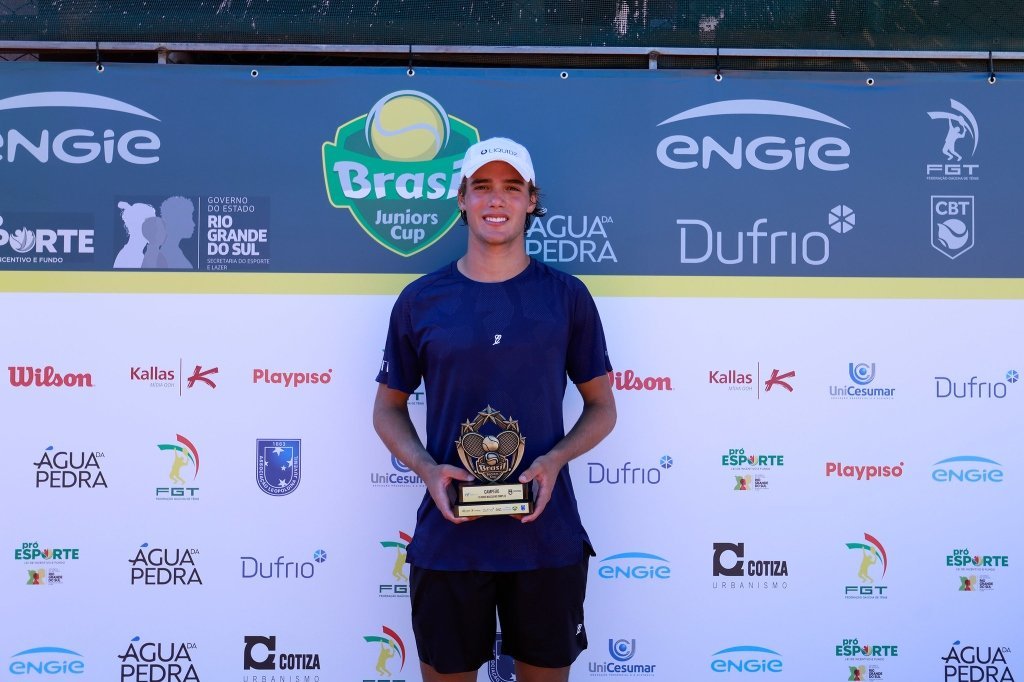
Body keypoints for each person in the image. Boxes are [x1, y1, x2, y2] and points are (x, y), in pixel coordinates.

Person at [373, 137, 616, 682]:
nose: (496, 200)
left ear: (532, 200)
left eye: (511, 187)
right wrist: (428, 469)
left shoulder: (566, 297)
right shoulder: (421, 299)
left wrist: (553, 461)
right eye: (481, 187)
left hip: (545, 539)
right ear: (462, 199)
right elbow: (387, 409)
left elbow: (602, 407)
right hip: (451, 541)